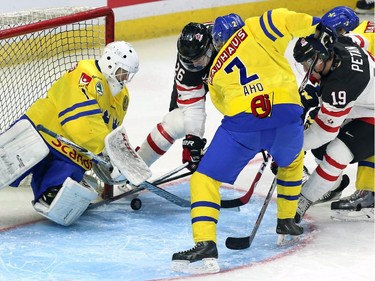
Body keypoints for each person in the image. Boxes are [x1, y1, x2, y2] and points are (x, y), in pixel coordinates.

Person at [171, 8, 334, 273]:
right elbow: (282, 18)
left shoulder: (214, 74)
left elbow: (225, 107)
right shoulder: (255, 28)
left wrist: (258, 134)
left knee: (204, 179)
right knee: (292, 164)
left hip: (244, 125)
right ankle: (286, 220)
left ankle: (205, 244)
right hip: (286, 117)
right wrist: (316, 27)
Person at [0, 41, 140, 226]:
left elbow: (111, 132)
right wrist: (107, 153)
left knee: (64, 194)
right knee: (5, 164)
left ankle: (49, 191)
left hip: (71, 153)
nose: (125, 79)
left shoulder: (122, 98)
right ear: (110, 62)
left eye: (129, 75)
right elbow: (80, 123)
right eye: (123, 72)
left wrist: (117, 158)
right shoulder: (86, 73)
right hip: (42, 132)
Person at [136, 14, 244, 172]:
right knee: (176, 121)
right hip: (210, 78)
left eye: (198, 59)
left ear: (211, 46)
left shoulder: (227, 42)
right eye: (189, 62)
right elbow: (193, 107)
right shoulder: (189, 64)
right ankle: (140, 163)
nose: (194, 65)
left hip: (233, 81)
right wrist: (193, 139)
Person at [293, 30, 374, 223]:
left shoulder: (341, 87)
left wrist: (291, 145)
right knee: (320, 145)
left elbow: (324, 133)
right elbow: (360, 39)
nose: (306, 70)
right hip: (363, 103)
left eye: (308, 64)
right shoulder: (341, 43)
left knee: (337, 152)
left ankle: (303, 200)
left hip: (369, 112)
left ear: (322, 58)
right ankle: (333, 185)